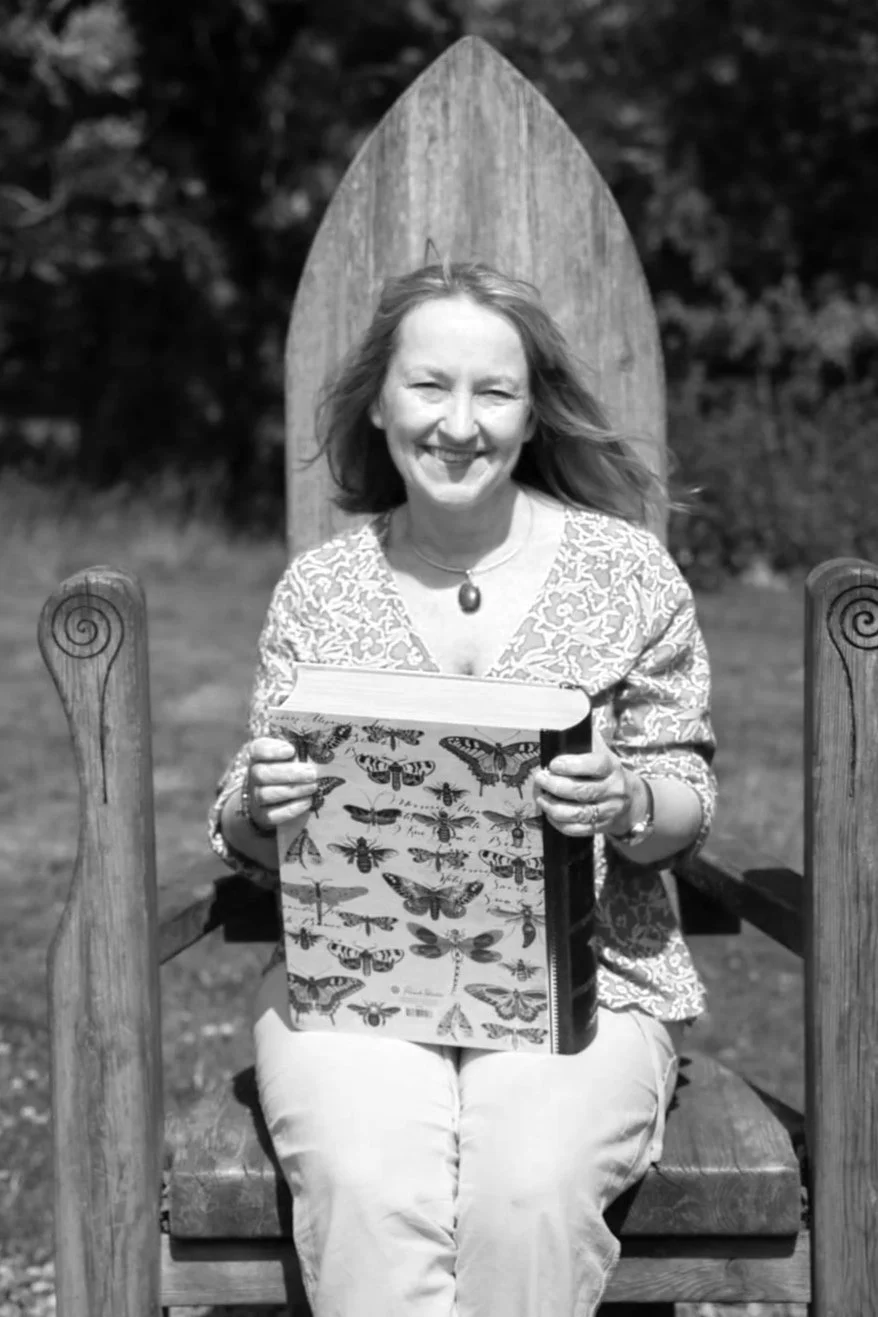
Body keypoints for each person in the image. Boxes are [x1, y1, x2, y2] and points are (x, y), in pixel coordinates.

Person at [209, 259, 716, 1317]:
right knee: (366, 1181)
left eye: (493, 391)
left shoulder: (625, 572)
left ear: (532, 416)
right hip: (355, 990)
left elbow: (683, 795)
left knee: (525, 1190)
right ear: (381, 402)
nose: (458, 422)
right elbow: (248, 821)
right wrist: (262, 805)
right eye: (429, 385)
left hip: (589, 979)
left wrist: (625, 799)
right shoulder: (322, 587)